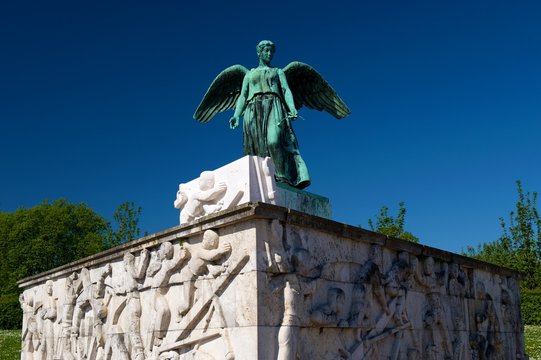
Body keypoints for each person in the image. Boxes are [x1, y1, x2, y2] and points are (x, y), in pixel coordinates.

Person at [229, 40, 310, 189]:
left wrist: (292, 107)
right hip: (253, 109)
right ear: (259, 52)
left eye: (271, 51)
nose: (269, 54)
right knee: (255, 148)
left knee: (274, 141)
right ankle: (261, 179)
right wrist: (236, 115)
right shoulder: (249, 74)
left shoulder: (278, 71)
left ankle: (282, 177)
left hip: (274, 105)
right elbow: (243, 95)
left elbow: (285, 90)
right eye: (266, 51)